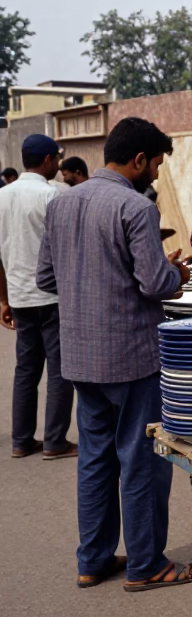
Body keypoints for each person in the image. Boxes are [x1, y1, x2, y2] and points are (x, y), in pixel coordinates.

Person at [37, 116, 192, 592]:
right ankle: (147, 564)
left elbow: (46, 279)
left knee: (94, 459)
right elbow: (154, 283)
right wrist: (178, 276)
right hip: (132, 357)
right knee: (141, 459)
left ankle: (92, 559)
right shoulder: (136, 208)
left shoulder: (62, 204)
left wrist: (89, 281)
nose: (156, 173)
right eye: (155, 164)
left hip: (81, 358)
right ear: (137, 160)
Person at [0, 134, 76, 459]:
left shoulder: (2, 196)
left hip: (19, 296)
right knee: (59, 370)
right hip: (51, 295)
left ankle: (21, 440)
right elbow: (67, 249)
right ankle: (55, 440)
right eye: (56, 159)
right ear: (47, 161)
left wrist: (3, 300)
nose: (58, 165)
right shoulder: (51, 195)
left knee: (26, 369)